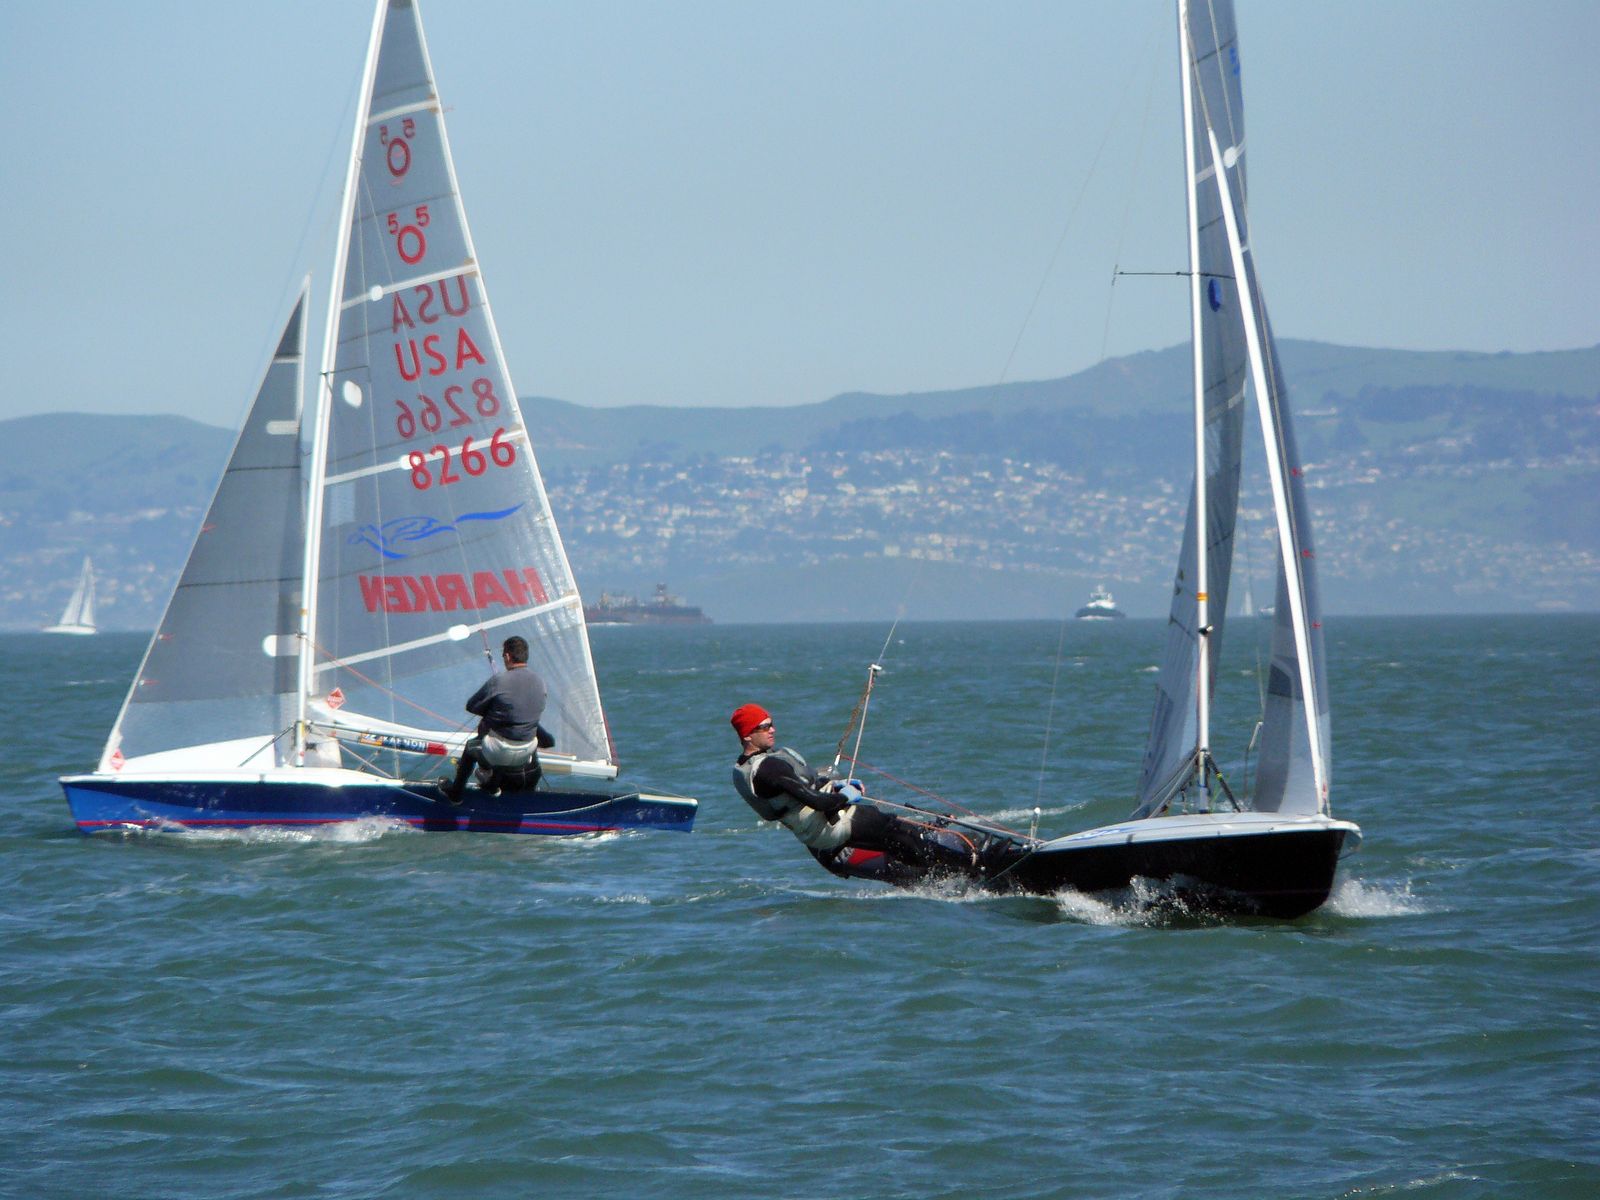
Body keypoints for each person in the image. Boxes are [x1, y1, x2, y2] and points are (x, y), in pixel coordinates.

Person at [729, 702, 973, 872]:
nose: (772, 729)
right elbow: (817, 802)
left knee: (889, 836)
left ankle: (940, 868)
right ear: (748, 735)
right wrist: (846, 795)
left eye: (771, 723)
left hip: (814, 833)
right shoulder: (768, 768)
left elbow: (799, 792)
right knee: (895, 830)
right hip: (829, 825)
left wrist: (835, 785)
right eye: (764, 727)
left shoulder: (744, 768)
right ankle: (971, 864)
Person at [441, 636, 548, 803]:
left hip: (500, 751)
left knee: (472, 747)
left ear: (508, 656)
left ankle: (455, 794)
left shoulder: (499, 680)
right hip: (526, 752)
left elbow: (471, 706)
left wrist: (493, 711)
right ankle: (492, 786)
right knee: (500, 742)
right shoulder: (540, 682)